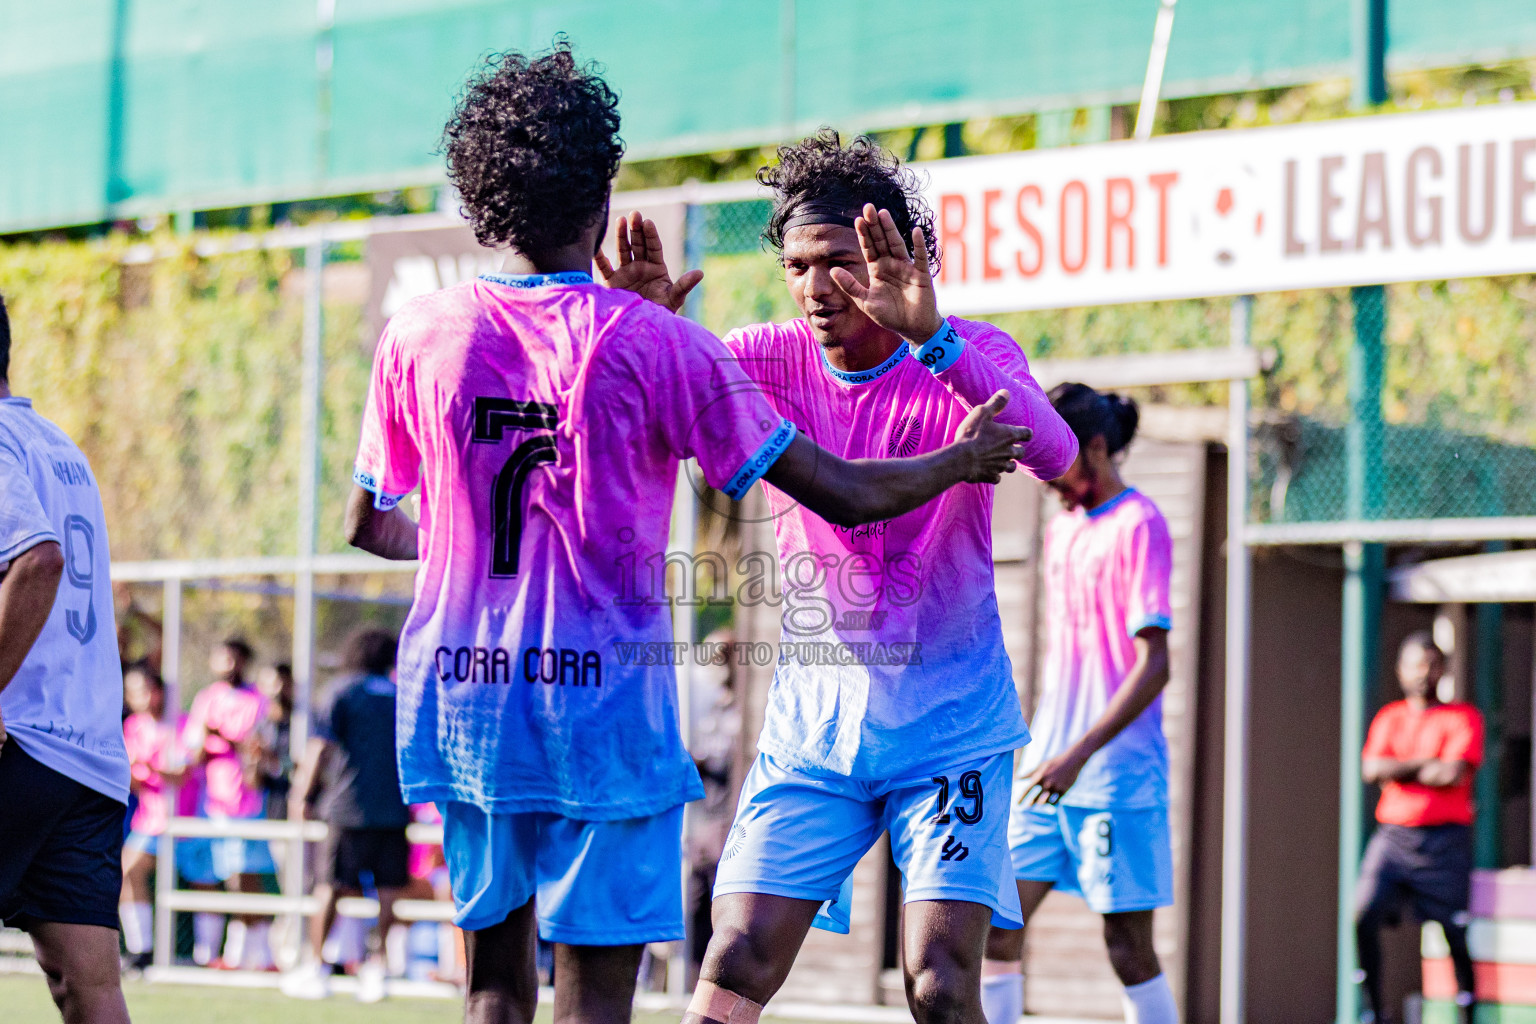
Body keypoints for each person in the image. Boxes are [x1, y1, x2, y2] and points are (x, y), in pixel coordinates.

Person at [343, 41, 1031, 1024]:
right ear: (604, 188)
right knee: (595, 1002)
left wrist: (465, 542)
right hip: (604, 711)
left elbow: (370, 521)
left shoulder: (419, 332)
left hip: (467, 700)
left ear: (479, 197)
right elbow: (836, 490)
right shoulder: (657, 344)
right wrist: (955, 464)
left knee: (492, 992)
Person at [604, 131, 1078, 1024]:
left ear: (894, 257)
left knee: (939, 984)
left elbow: (1053, 451)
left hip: (949, 730)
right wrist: (647, 332)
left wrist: (931, 337)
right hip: (813, 733)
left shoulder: (966, 351)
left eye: (838, 263)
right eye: (797, 265)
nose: (817, 288)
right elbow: (642, 422)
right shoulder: (762, 356)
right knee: (735, 959)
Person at [976, 383, 1176, 1024]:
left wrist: (1079, 755)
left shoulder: (1139, 523)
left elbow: (1156, 665)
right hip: (1044, 774)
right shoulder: (1062, 532)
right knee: (997, 927)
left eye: (1055, 463)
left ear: (1093, 446)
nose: (1045, 480)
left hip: (1114, 777)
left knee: (1128, 948)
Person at [0, 291, 134, 1023]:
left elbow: (38, 561)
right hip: (86, 756)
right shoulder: (59, 446)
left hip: (20, 744)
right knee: (89, 988)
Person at [1356, 633, 1483, 1024]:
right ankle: (1375, 1012)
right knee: (1363, 915)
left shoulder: (1462, 717)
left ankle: (1467, 1010)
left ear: (1442, 669)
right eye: (1414, 664)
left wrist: (1401, 767)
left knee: (1454, 933)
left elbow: (1451, 773)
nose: (1422, 673)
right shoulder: (1389, 717)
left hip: (1446, 842)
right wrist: (1425, 762)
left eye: (1430, 663)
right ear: (1400, 670)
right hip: (1393, 839)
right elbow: (1372, 769)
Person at [284, 629, 411, 1003]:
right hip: (394, 808)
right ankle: (377, 966)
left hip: (346, 807)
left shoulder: (341, 691)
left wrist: (301, 793)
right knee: (388, 891)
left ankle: (316, 965)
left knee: (329, 886)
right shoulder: (400, 694)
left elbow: (319, 746)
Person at [179, 637, 276, 970]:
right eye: (223, 659)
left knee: (243, 875)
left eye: (234, 659)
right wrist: (208, 740)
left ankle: (260, 953)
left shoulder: (258, 700)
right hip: (211, 802)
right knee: (211, 875)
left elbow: (257, 748)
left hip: (246, 802)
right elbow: (194, 749)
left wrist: (226, 738)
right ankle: (218, 953)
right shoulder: (206, 699)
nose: (228, 666)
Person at [120, 662, 183, 971]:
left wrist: (149, 766)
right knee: (126, 872)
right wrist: (133, 771)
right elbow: (132, 782)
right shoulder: (132, 727)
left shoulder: (179, 725)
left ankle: (212, 952)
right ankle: (140, 949)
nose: (138, 698)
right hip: (149, 818)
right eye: (131, 692)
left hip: (182, 819)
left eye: (143, 690)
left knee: (207, 884)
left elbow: (183, 775)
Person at [250, 662, 295, 823]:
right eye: (271, 684)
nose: (278, 689)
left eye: (282, 682)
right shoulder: (261, 727)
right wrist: (255, 760)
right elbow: (253, 781)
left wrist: (274, 759)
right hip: (271, 809)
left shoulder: (305, 723)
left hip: (299, 809)